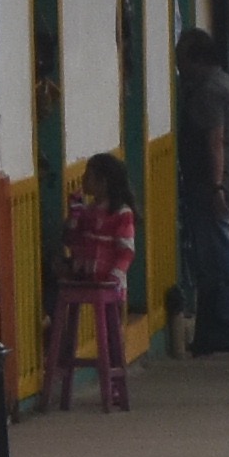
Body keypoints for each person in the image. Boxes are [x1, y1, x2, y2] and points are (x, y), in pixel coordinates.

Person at [172, 27, 229, 355]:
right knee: (217, 252)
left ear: (194, 57)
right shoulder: (224, 82)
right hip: (219, 181)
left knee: (217, 255)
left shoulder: (208, 91)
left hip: (211, 185)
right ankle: (222, 324)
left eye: (181, 58)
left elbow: (215, 141)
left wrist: (216, 186)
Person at [58, 150, 141, 412]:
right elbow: (72, 240)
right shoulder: (89, 212)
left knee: (111, 334)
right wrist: (75, 215)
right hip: (85, 277)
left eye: (88, 177)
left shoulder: (122, 213)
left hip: (108, 283)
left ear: (103, 181)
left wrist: (117, 276)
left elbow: (126, 250)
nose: (83, 180)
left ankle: (115, 385)